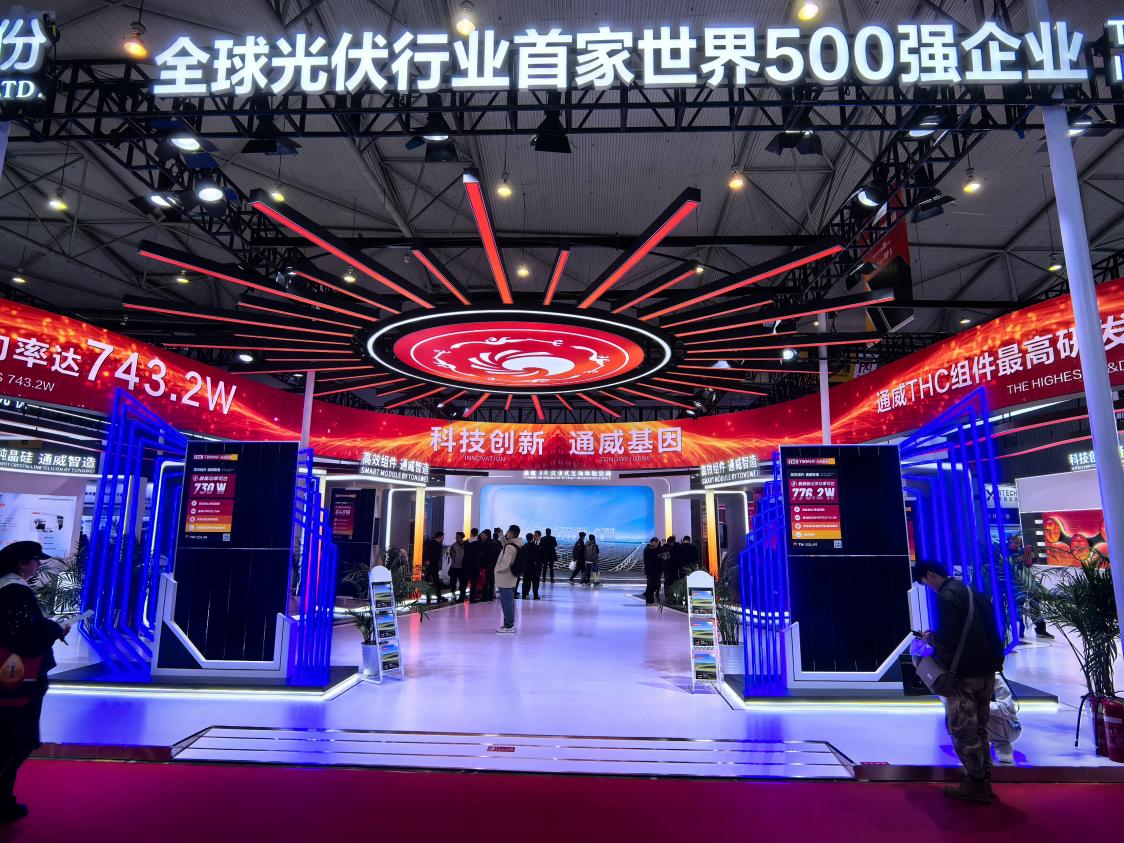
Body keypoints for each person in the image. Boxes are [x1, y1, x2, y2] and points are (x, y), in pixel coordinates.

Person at [913, 560, 1006, 805]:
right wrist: (997, 662)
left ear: (930, 575)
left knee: (963, 730)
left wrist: (930, 639)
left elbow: (948, 639)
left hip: (963, 675)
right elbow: (994, 630)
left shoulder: (947, 597)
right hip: (987, 671)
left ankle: (975, 783)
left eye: (925, 582)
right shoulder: (973, 592)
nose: (929, 587)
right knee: (980, 728)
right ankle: (983, 780)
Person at [0, 541, 68, 822]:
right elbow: (23, 636)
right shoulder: (16, 591)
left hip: (9, 676)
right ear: (21, 564)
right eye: (35, 560)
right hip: (19, 677)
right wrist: (53, 628)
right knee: (16, 740)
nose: (38, 565)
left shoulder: (5, 587)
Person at [1008, 533, 1054, 640]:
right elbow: (1010, 565)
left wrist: (1030, 553)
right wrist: (1024, 556)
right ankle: (1019, 632)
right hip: (1016, 586)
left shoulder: (1021, 550)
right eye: (1014, 540)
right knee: (1018, 609)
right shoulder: (1003, 553)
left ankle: (1040, 630)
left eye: (1018, 541)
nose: (1017, 543)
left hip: (1029, 584)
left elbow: (1029, 564)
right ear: (1009, 540)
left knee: (1035, 607)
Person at [495, 525, 522, 633]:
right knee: (509, 603)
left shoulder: (510, 547)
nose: (507, 533)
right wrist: (502, 537)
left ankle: (508, 626)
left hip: (505, 578)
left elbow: (505, 564)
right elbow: (506, 546)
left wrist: (497, 570)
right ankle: (509, 623)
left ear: (511, 533)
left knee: (506, 603)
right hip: (510, 578)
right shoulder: (516, 544)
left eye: (507, 531)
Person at [422, 530, 447, 605]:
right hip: (434, 565)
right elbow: (437, 557)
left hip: (428, 565)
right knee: (436, 581)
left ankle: (428, 597)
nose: (443, 539)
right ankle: (438, 596)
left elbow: (426, 552)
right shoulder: (439, 546)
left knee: (427, 581)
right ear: (439, 537)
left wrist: (426, 560)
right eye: (442, 537)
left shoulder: (429, 543)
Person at [463, 528, 483, 603]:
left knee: (464, 582)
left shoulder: (466, 542)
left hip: (466, 564)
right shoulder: (479, 543)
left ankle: (462, 597)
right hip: (475, 565)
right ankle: (472, 599)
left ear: (471, 533)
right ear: (477, 533)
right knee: (473, 583)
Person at [522, 530, 543, 600]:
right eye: (534, 535)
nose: (534, 536)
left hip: (534, 567)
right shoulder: (534, 545)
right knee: (529, 581)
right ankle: (528, 594)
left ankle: (532, 595)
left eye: (536, 535)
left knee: (533, 582)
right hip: (531, 567)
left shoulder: (542, 544)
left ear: (539, 536)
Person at [482, 529, 500, 602]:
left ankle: (485, 596)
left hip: (486, 565)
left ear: (485, 535)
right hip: (493, 564)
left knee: (485, 581)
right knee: (491, 580)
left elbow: (483, 555)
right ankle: (491, 596)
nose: (482, 535)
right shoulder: (494, 542)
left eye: (483, 534)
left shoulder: (485, 543)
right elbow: (498, 553)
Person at [643, 537, 662, 604]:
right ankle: (649, 600)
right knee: (651, 585)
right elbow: (655, 560)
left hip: (651, 570)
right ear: (653, 542)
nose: (657, 545)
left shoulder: (650, 548)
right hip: (651, 570)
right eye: (657, 543)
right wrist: (661, 559)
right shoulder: (649, 549)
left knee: (652, 585)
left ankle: (650, 600)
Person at [448, 532, 466, 602]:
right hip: (454, 567)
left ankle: (462, 595)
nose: (456, 538)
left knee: (462, 582)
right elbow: (451, 556)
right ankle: (453, 594)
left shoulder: (466, 545)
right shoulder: (453, 546)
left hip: (462, 567)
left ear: (462, 537)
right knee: (453, 581)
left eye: (458, 537)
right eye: (456, 537)